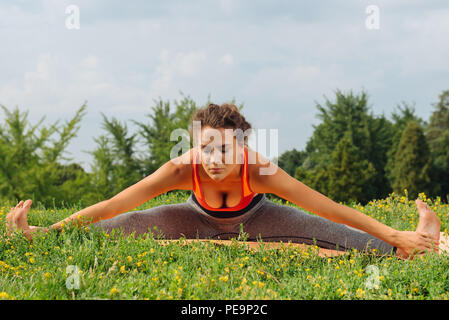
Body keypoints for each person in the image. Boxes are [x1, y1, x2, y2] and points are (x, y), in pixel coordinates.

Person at [6, 103, 444, 259]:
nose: (213, 159)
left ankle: (418, 238)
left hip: (258, 218)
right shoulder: (181, 169)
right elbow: (114, 204)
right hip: (193, 218)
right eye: (205, 148)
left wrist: (392, 233)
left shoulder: (261, 170)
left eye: (224, 149)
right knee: (113, 229)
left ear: (242, 147)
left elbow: (328, 207)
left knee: (341, 236)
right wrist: (50, 230)